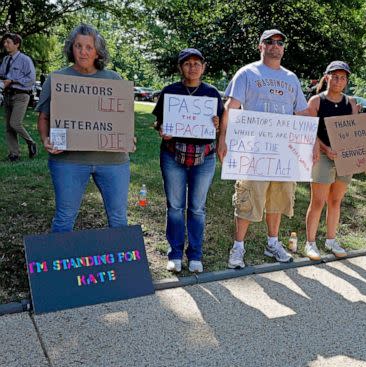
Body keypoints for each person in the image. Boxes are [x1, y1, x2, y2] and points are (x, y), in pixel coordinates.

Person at [217, 29, 312, 269]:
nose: (275, 46)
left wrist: (311, 143)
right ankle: (238, 247)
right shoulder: (247, 73)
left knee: (278, 198)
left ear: (283, 48)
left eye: (280, 42)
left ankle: (273, 243)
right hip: (252, 149)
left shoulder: (291, 78)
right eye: (270, 42)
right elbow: (232, 107)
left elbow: (301, 113)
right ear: (261, 46)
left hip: (283, 153)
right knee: (248, 198)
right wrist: (223, 138)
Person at [36, 24, 132, 232]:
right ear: (71, 48)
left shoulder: (113, 79)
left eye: (89, 47)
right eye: (78, 46)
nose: (83, 51)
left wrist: (127, 136)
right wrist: (45, 140)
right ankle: (59, 262)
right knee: (64, 218)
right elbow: (43, 118)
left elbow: (122, 119)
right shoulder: (57, 79)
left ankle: (120, 263)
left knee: (118, 219)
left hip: (113, 161)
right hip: (68, 161)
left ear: (98, 51)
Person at [152, 48, 223, 273]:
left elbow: (219, 124)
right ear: (180, 67)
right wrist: (161, 129)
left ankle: (195, 254)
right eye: (187, 63)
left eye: (197, 63)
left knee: (197, 208)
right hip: (173, 154)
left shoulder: (212, 94)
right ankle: (174, 253)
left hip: (205, 157)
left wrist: (217, 124)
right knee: (174, 207)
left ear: (203, 67)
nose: (192, 67)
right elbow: (158, 123)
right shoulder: (170, 92)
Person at [303, 61, 359, 260]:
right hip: (323, 157)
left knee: (336, 201)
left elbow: (355, 131)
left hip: (345, 159)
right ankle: (310, 243)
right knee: (318, 201)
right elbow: (308, 131)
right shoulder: (316, 102)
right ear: (326, 77)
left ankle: (331, 240)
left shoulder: (351, 103)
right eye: (335, 76)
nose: (339, 80)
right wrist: (326, 148)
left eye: (343, 77)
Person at [1, 33, 37, 162]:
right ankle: (14, 154)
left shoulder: (25, 60)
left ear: (17, 44)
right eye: (5, 42)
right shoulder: (6, 60)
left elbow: (31, 79)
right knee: (9, 127)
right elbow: (3, 75)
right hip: (8, 95)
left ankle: (31, 142)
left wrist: (12, 80)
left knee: (15, 123)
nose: (5, 44)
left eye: (8, 42)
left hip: (21, 95)